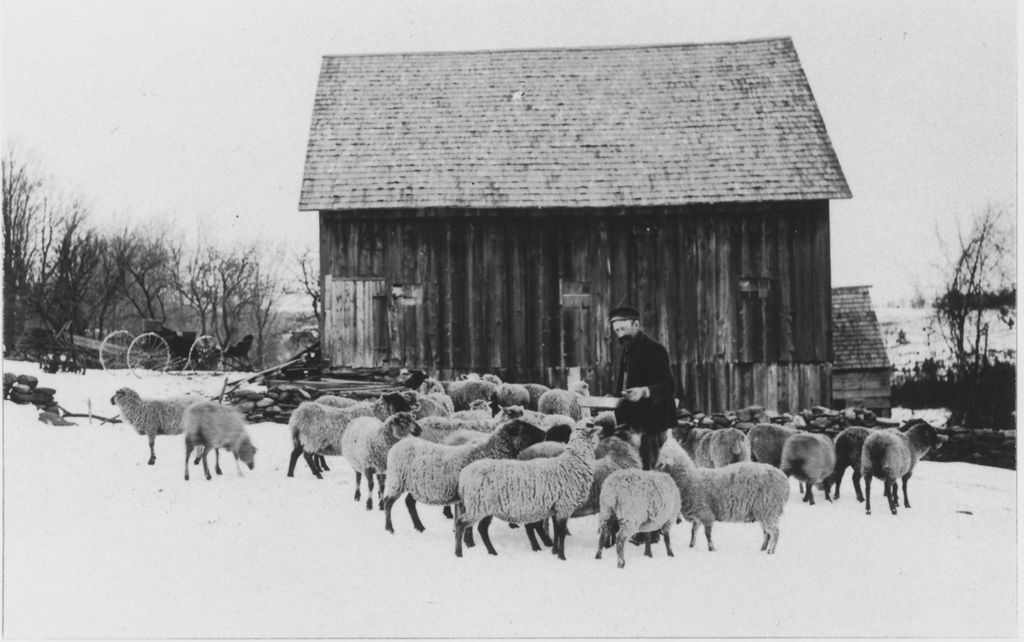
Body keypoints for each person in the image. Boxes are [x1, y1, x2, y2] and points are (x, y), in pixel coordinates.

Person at [609, 305, 677, 471]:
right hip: (635, 423)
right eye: (617, 330)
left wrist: (645, 391)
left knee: (652, 470)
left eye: (623, 329)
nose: (620, 334)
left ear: (636, 325)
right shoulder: (627, 351)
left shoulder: (654, 350)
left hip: (653, 423)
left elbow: (669, 386)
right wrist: (615, 396)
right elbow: (628, 383)